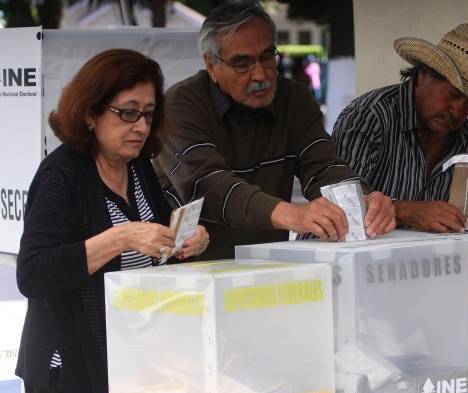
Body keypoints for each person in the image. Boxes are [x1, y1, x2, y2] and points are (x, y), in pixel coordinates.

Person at [16, 49, 210, 393]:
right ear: (91, 113)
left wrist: (186, 241)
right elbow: (33, 274)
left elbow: (154, 241)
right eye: (128, 113)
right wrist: (119, 239)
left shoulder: (137, 167)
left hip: (131, 358)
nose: (141, 126)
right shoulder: (61, 175)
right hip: (70, 369)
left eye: (148, 115)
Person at [153, 0, 395, 259]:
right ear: (211, 65)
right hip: (193, 271)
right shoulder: (180, 105)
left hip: (267, 266)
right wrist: (293, 214)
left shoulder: (294, 99)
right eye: (242, 64)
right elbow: (210, 185)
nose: (260, 75)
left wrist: (362, 200)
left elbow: (323, 168)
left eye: (267, 57)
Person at [333, 24, 468, 233]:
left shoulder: (463, 136)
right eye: (452, 95)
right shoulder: (368, 117)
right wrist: (411, 212)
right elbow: (341, 204)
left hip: (412, 261)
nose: (457, 111)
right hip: (337, 259)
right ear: (423, 76)